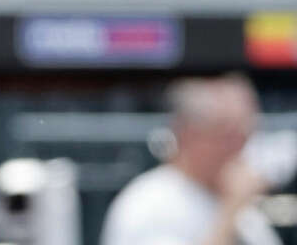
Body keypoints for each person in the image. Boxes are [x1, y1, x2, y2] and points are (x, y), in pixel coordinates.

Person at [101, 75, 279, 245]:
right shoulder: (149, 204)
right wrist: (231, 210)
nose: (240, 150)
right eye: (228, 137)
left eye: (247, 136)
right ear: (188, 134)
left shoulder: (235, 200)